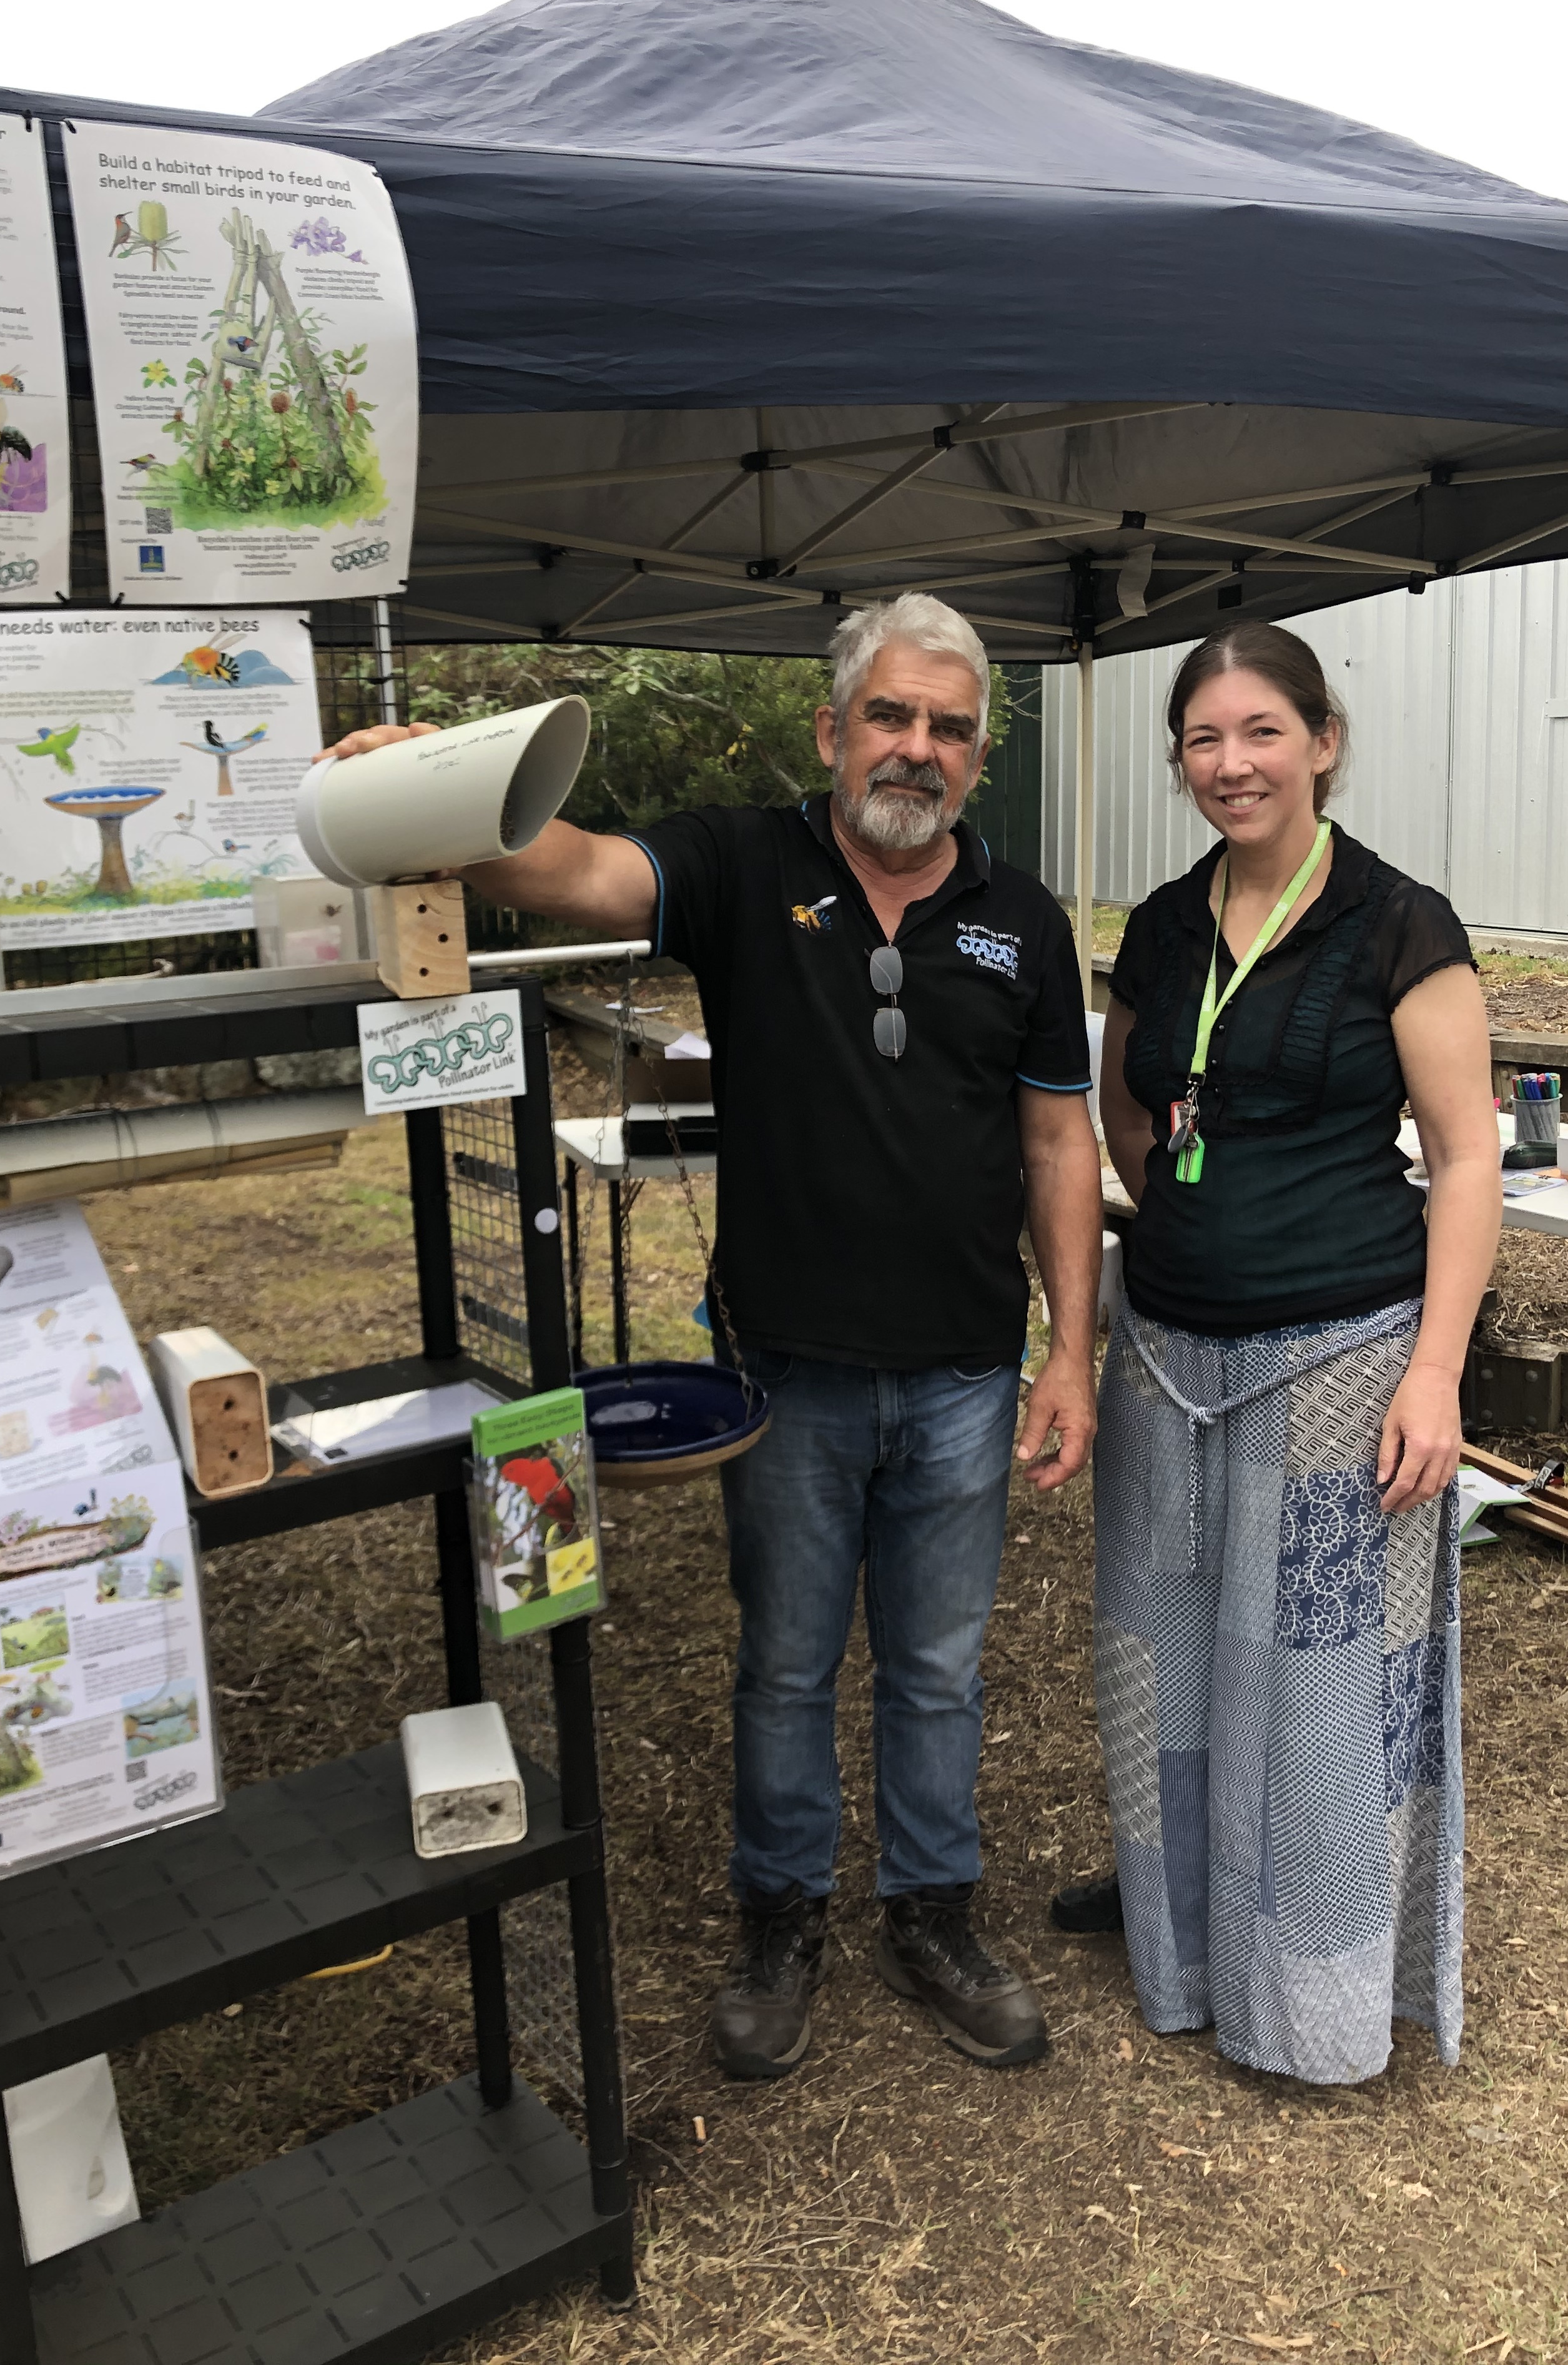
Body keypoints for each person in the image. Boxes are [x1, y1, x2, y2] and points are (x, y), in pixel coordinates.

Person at [325, 594, 1103, 2076]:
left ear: (977, 756)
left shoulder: (1026, 921)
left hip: (960, 1370)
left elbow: (1059, 1141)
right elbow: (569, 867)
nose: (916, 748)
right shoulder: (742, 864)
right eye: (889, 715)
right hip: (785, 1368)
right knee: (787, 1664)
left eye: (947, 728)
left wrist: (1067, 1350)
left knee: (938, 1669)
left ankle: (931, 1912)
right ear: (830, 730)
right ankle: (781, 1916)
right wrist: (420, 795)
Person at [1054, 619, 1498, 2085]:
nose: (1230, 762)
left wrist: (1433, 1371)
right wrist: (1188, 1220)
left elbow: (1463, 1159)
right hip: (1163, 1355)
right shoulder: (1162, 925)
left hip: (1342, 1357)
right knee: (1161, 1656)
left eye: (1259, 731)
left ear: (1320, 742)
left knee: (1315, 1688)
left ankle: (1310, 1994)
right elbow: (1128, 1104)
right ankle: (1176, 1928)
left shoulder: (1398, 924)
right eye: (1202, 737)